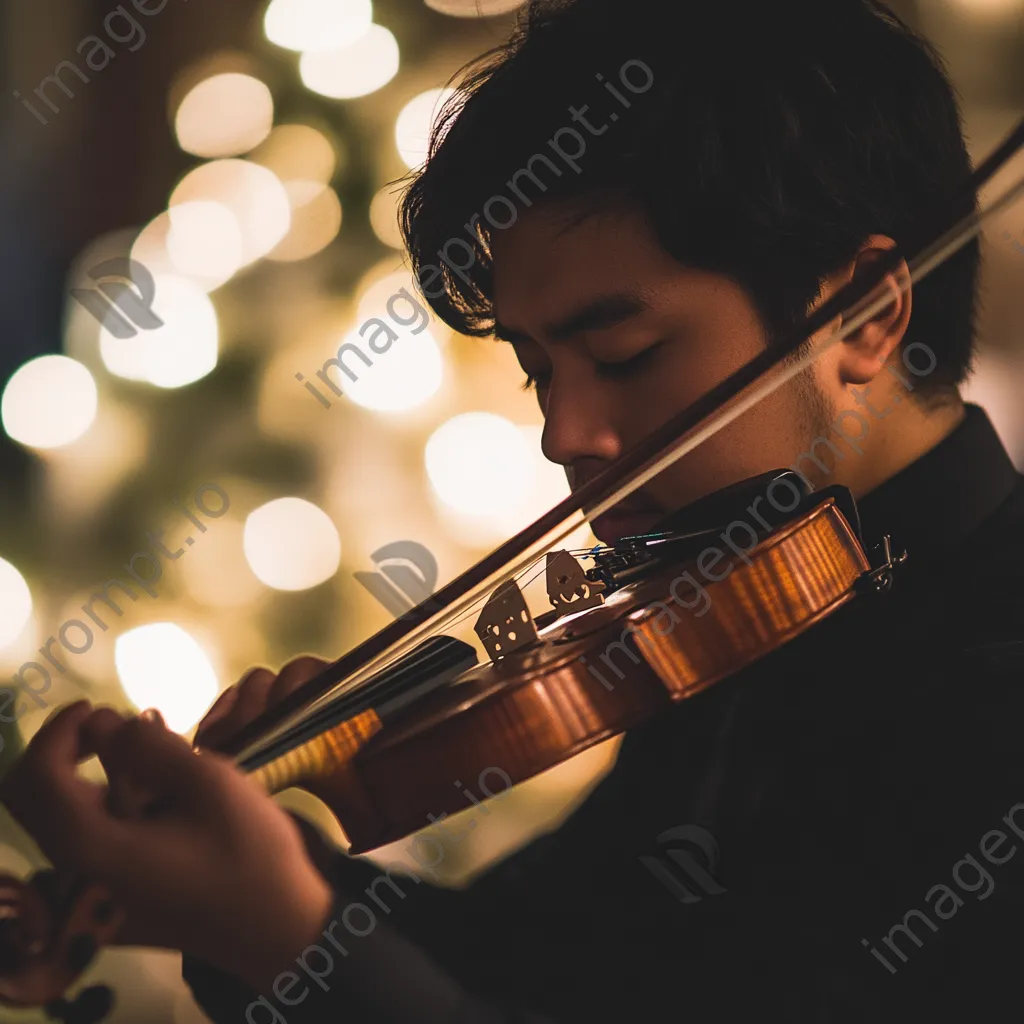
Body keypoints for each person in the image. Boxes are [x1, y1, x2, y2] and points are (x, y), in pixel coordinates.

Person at [5, 0, 1024, 1020]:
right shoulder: (725, 605)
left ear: (866, 315)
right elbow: (549, 965)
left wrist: (283, 929)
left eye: (624, 355)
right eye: (539, 371)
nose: (565, 433)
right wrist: (270, 888)